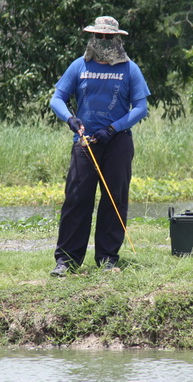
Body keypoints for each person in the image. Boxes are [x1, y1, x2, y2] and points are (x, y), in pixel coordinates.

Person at [49, 16, 151, 277]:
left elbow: (140, 108)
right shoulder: (79, 66)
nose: (103, 41)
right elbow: (57, 98)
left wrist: (113, 129)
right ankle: (67, 261)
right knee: (76, 200)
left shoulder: (130, 69)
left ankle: (107, 258)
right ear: (93, 37)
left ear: (118, 38)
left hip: (116, 141)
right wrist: (70, 119)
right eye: (99, 36)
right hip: (84, 142)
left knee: (113, 199)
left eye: (109, 36)